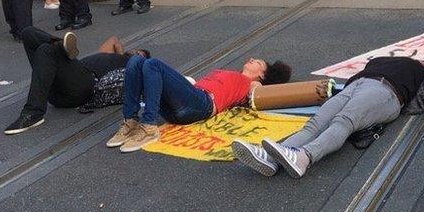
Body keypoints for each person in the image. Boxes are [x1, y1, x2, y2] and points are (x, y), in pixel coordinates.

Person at [235, 57, 424, 178]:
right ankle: (272, 158)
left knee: (344, 121)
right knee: (315, 123)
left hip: (385, 92)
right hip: (360, 86)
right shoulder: (416, 68)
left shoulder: (413, 68)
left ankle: (304, 157)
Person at [110, 53, 292, 153]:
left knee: (153, 64)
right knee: (136, 60)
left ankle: (149, 125)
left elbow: (261, 94)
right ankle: (131, 121)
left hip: (203, 103)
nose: (251, 59)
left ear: (262, 74)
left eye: (258, 62)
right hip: (184, 103)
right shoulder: (230, 74)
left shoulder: (251, 83)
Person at [4, 27, 149, 134]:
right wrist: (123, 53)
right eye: (136, 51)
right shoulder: (113, 55)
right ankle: (60, 45)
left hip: (86, 85)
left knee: (45, 50)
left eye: (140, 55)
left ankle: (33, 113)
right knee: (27, 33)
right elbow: (113, 40)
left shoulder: (131, 70)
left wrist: (136, 61)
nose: (136, 54)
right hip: (61, 87)